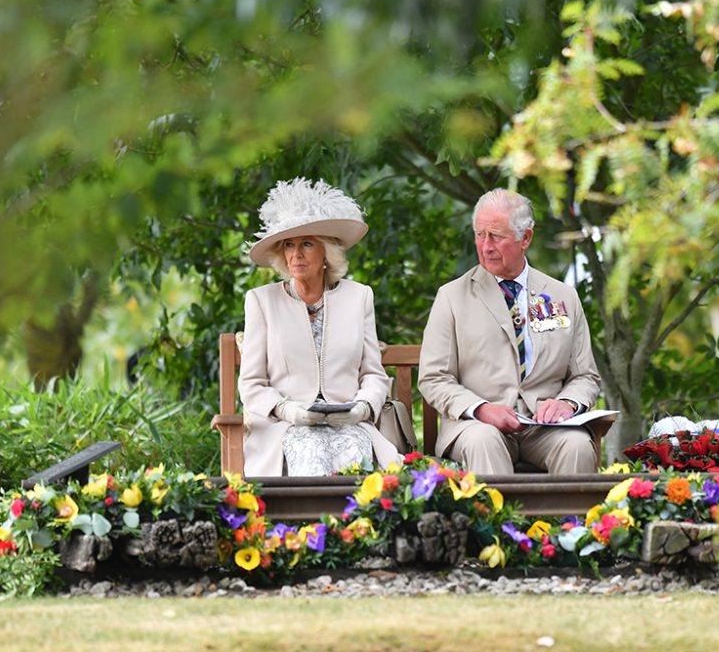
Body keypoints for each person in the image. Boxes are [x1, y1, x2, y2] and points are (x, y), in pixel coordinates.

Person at [419, 188, 601, 474]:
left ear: (525, 238)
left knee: (576, 445)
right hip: (477, 425)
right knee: (484, 441)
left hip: (545, 428)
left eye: (496, 236)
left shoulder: (562, 295)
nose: (486, 245)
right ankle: (498, 521)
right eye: (480, 234)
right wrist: (480, 408)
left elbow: (585, 375)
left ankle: (571, 521)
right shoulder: (452, 297)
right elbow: (433, 378)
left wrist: (567, 403)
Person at [238, 178, 399, 477]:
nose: (296, 254)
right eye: (289, 245)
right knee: (311, 454)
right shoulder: (262, 301)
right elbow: (251, 385)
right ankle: (309, 526)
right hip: (284, 429)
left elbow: (374, 375)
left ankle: (357, 527)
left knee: (355, 458)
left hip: (349, 424)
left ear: (326, 252)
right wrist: (287, 410)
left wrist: (361, 409)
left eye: (306, 244)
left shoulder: (359, 296)